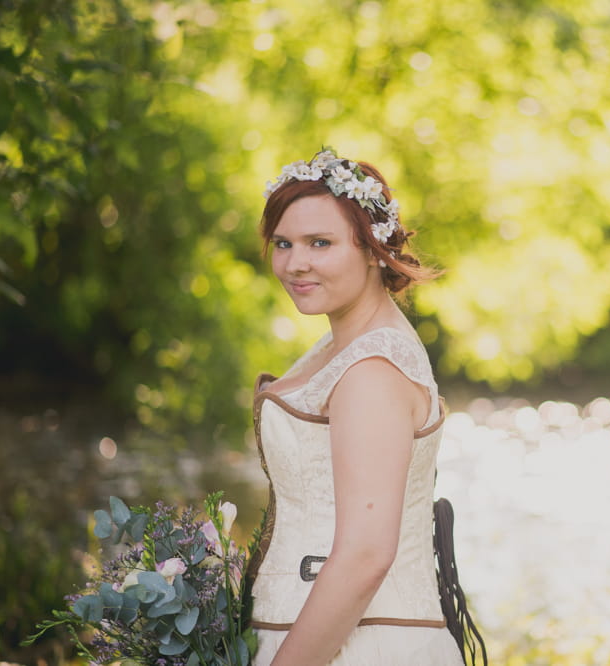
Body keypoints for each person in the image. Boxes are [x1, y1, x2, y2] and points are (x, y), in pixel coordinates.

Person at [246, 148, 484, 666]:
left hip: (363, 648)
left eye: (320, 243)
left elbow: (365, 554)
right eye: (284, 243)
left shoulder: (373, 370)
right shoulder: (344, 345)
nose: (294, 262)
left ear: (374, 249)